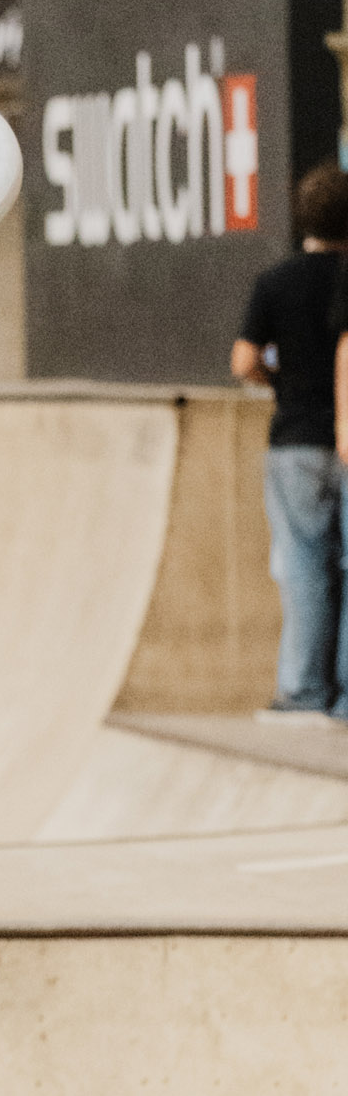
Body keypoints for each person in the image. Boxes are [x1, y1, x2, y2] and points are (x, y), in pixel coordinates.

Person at [232, 163, 348, 722]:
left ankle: (303, 691)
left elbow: (244, 361)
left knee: (304, 564)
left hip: (298, 438)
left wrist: (279, 382)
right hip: (346, 434)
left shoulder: (276, 281)